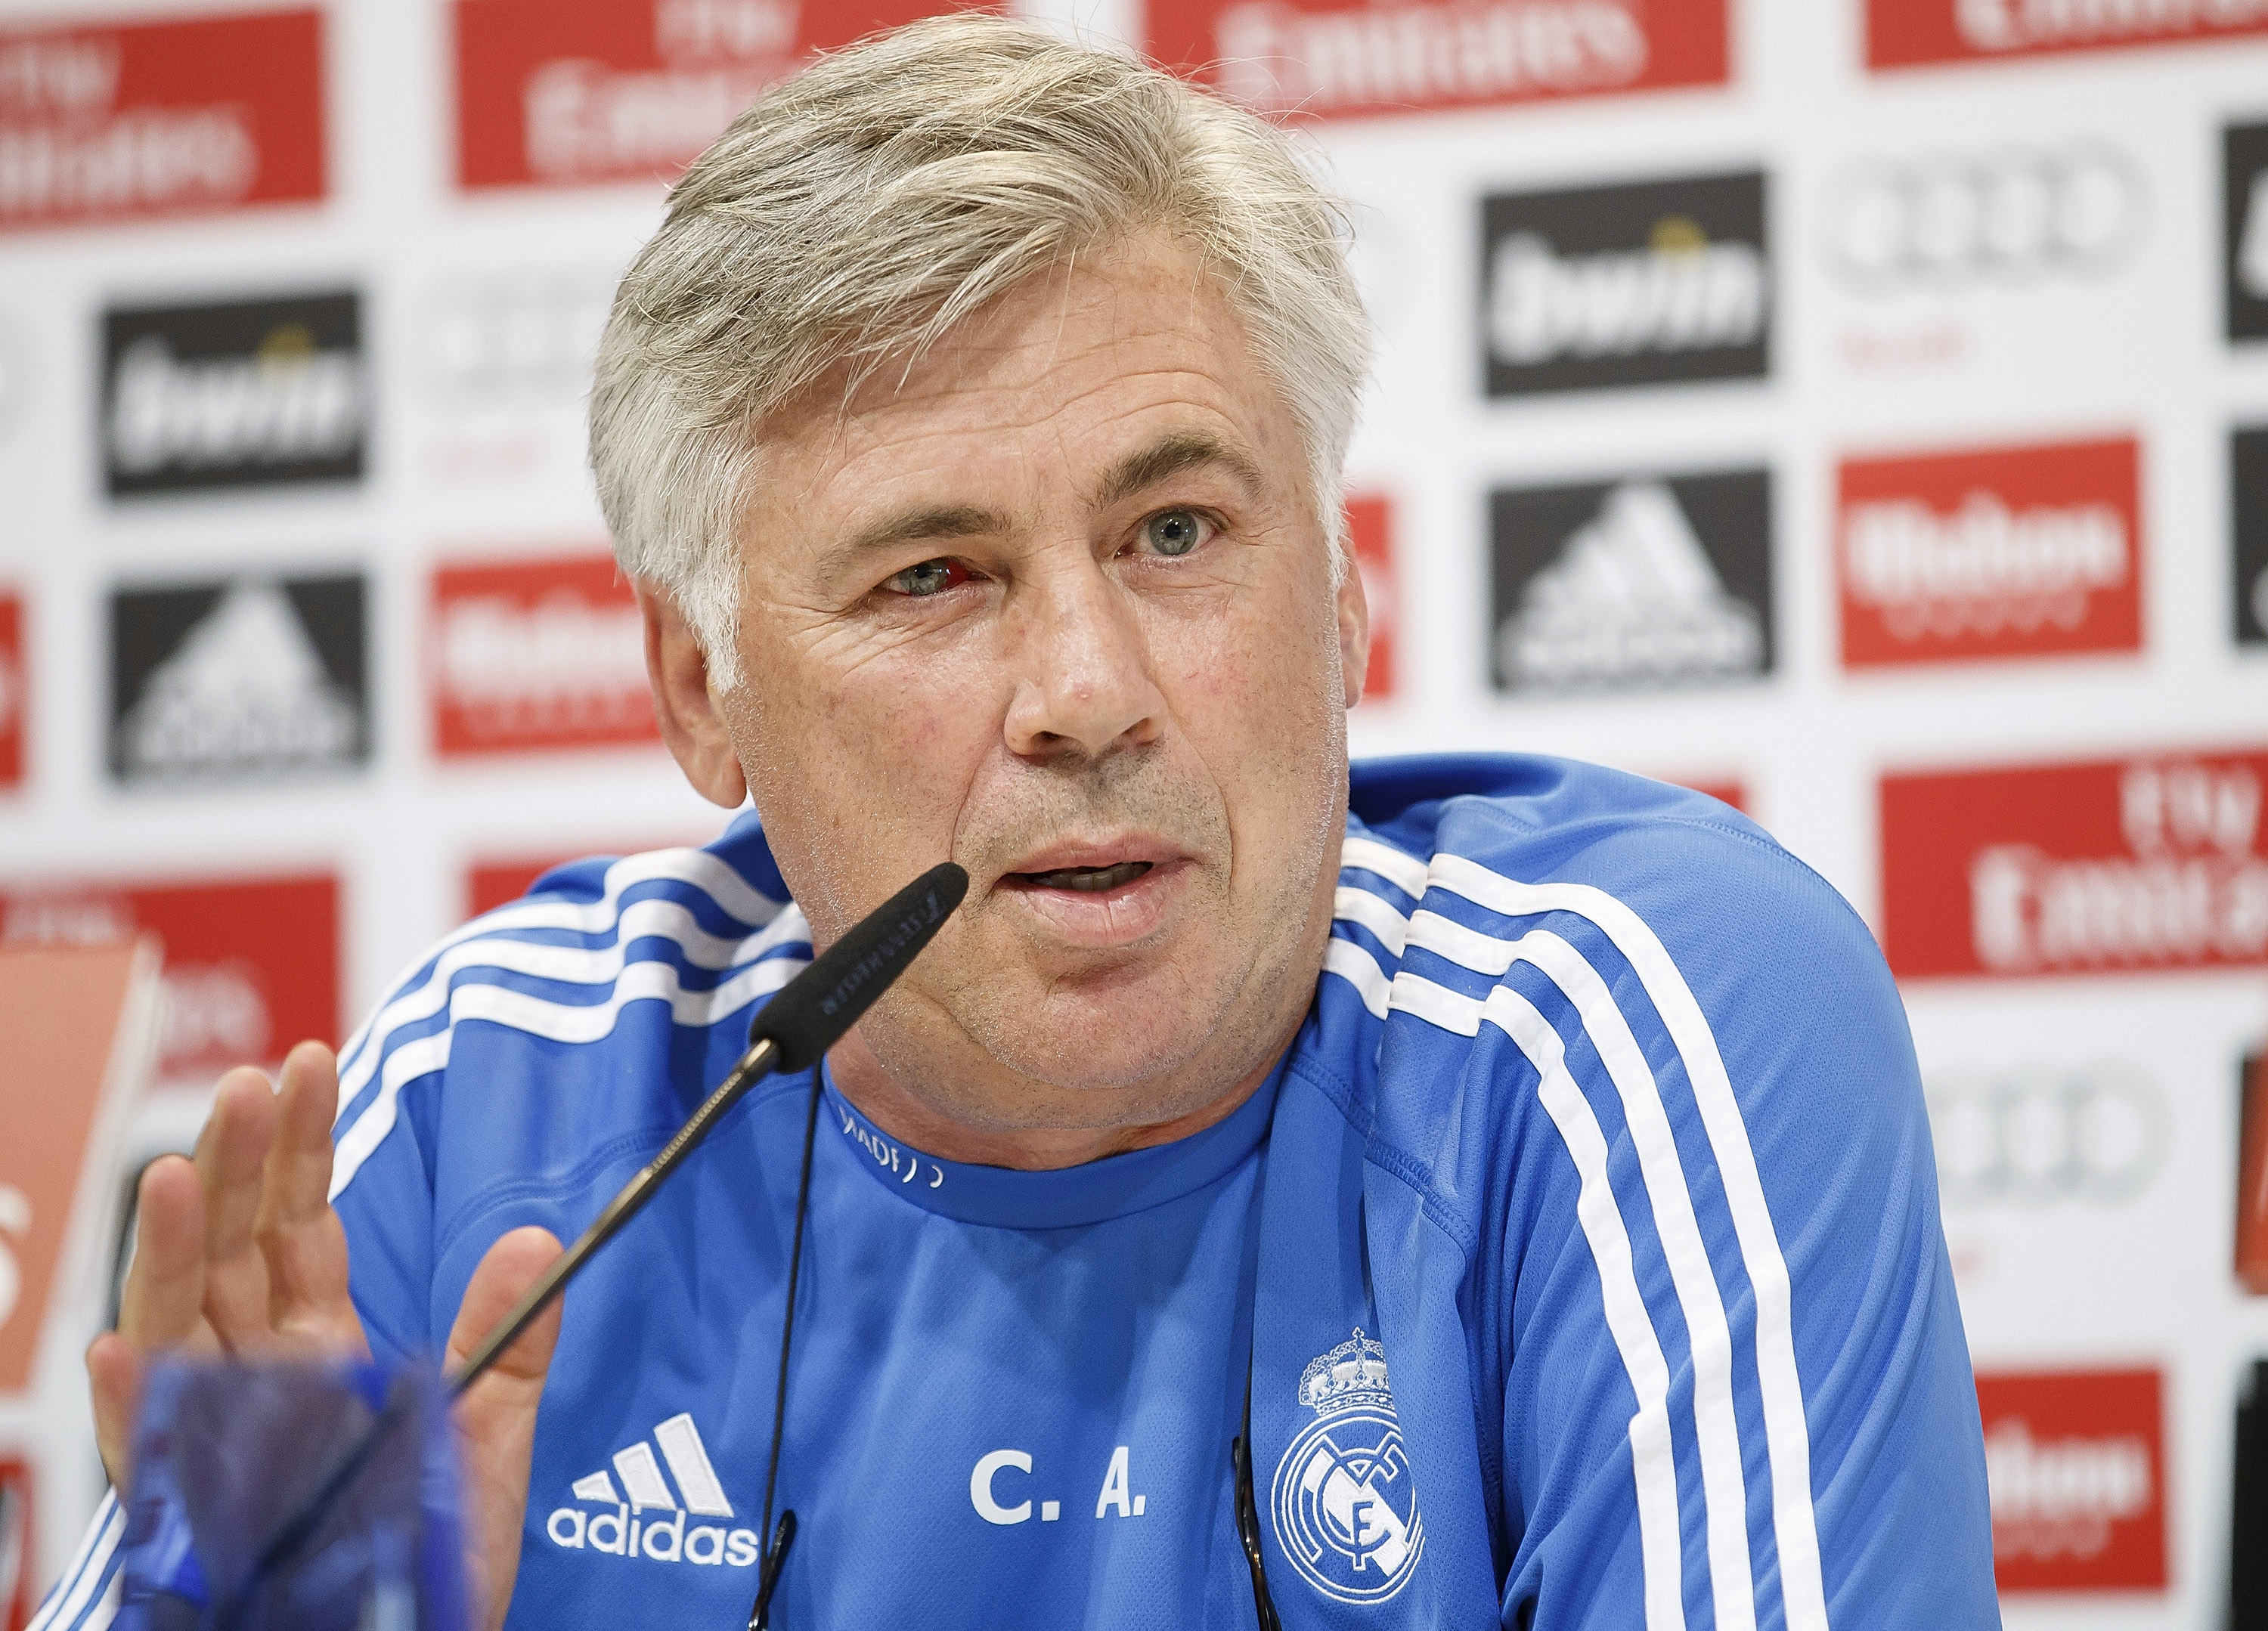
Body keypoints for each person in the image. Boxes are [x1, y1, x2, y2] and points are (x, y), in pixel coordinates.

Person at [36, 17, 1998, 1630]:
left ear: (1343, 600)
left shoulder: (1625, 1032)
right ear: (703, 694)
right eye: (933, 577)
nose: (1088, 688)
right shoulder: (500, 1103)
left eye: (1176, 531)